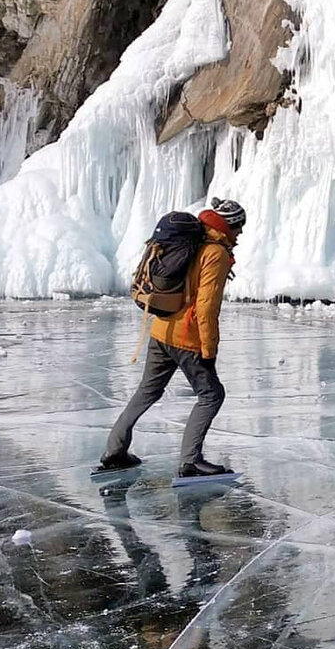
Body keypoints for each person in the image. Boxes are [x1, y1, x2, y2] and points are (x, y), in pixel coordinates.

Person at [94, 197, 247, 479]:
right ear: (230, 225)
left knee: (147, 392)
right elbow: (206, 306)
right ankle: (191, 462)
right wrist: (208, 348)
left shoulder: (194, 240)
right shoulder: (216, 252)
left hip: (161, 329)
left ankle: (114, 452)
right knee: (212, 395)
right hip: (186, 337)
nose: (240, 234)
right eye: (239, 228)